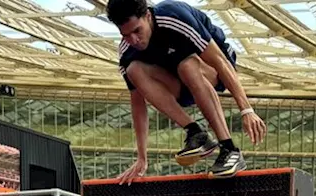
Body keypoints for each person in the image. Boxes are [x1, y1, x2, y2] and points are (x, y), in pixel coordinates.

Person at [107, 0, 267, 181]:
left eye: (137, 31)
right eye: (125, 35)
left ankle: (229, 149)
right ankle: (195, 132)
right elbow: (137, 105)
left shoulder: (174, 18)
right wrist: (142, 159)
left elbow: (220, 62)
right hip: (180, 85)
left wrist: (246, 110)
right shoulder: (126, 52)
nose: (133, 40)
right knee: (133, 69)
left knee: (187, 65)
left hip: (212, 71)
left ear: (148, 16)